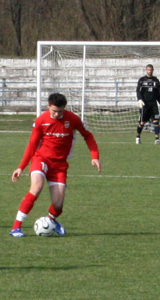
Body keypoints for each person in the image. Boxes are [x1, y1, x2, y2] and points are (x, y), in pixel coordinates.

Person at [9, 93, 101, 238]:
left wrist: (95, 156)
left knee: (58, 205)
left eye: (60, 111)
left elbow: (88, 136)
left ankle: (51, 220)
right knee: (36, 187)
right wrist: (21, 167)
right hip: (41, 160)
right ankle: (16, 227)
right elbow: (32, 145)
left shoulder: (73, 119)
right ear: (48, 106)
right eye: (54, 111)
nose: (57, 114)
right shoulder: (41, 121)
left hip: (59, 165)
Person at [136, 64, 160, 145]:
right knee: (142, 123)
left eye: (151, 70)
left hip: (153, 103)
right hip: (145, 104)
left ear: (153, 70)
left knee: (156, 121)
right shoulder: (142, 80)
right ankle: (138, 137)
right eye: (148, 70)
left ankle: (157, 139)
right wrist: (139, 99)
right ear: (146, 70)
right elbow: (138, 90)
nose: (149, 71)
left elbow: (159, 92)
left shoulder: (156, 80)